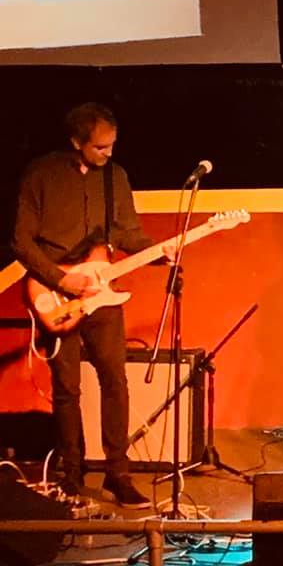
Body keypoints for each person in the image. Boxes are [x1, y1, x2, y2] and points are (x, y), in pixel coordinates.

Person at [12, 102, 174, 508]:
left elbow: (128, 233)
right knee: (67, 388)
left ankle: (118, 475)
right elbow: (21, 241)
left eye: (112, 146)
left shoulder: (115, 177)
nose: (108, 154)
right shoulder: (41, 174)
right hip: (56, 292)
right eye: (100, 147)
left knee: (115, 382)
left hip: (103, 293)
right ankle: (71, 474)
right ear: (76, 142)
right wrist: (62, 279)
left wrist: (160, 252)